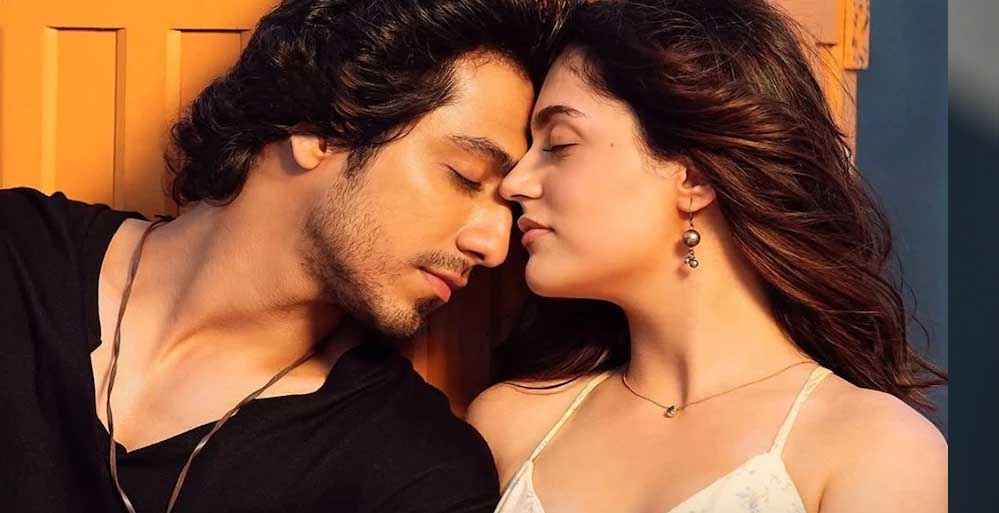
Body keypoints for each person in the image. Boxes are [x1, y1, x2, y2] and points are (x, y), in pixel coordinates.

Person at [0, 0, 570, 511]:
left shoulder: (415, 470)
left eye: (511, 209)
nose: (494, 246)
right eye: (465, 175)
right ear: (319, 127)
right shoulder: (16, 253)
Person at [468, 1, 949, 512]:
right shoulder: (511, 427)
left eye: (559, 144)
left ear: (694, 177)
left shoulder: (874, 450)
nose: (514, 184)